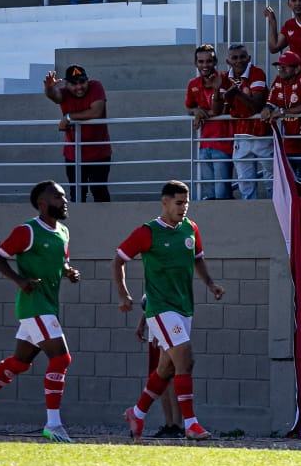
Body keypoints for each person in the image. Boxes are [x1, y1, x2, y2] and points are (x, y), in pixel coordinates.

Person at [0, 181, 82, 443]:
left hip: (47, 305)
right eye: (58, 197)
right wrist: (19, 281)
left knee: (20, 362)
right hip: (33, 304)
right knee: (61, 358)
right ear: (42, 203)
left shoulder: (64, 232)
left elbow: (63, 260)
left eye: (64, 196)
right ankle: (54, 425)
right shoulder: (27, 231)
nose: (64, 200)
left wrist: (69, 271)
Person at [115, 180, 226, 443]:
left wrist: (210, 284)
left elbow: (197, 259)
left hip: (184, 307)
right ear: (164, 202)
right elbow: (118, 260)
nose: (183, 207)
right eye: (179, 203)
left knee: (166, 368)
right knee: (186, 358)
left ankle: (137, 412)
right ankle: (191, 424)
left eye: (186, 202)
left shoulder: (190, 228)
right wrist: (124, 295)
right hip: (161, 308)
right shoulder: (148, 232)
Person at [42, 64, 111, 203]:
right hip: (74, 154)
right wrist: (49, 88)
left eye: (82, 82)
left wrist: (68, 117)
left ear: (87, 81)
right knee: (77, 193)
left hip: (99, 153)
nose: (79, 87)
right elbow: (54, 96)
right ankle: (81, 224)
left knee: (99, 190)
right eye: (74, 83)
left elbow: (96, 112)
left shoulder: (96, 86)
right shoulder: (65, 93)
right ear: (66, 85)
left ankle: (105, 223)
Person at [215, 44, 270, 201]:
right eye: (234, 57)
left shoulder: (257, 73)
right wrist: (217, 91)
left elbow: (256, 106)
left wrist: (237, 93)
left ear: (249, 58)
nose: (239, 61)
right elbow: (220, 111)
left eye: (242, 57)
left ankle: (277, 211)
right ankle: (250, 215)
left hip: (263, 134)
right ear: (228, 61)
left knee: (272, 179)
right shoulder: (225, 77)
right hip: (240, 135)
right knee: (245, 182)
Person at [185, 44, 233, 201]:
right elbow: (189, 108)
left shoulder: (225, 80)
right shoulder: (193, 84)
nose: (205, 65)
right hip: (204, 144)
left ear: (215, 62)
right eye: (201, 61)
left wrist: (201, 113)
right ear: (195, 63)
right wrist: (195, 111)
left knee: (222, 195)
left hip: (223, 142)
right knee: (210, 196)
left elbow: (221, 111)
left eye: (209, 61)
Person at [260, 51, 301, 184]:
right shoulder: (278, 80)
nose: (281, 69)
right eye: (279, 66)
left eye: (285, 66)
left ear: (297, 68)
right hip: (288, 145)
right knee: (290, 184)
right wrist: (267, 109)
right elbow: (270, 103)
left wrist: (284, 111)